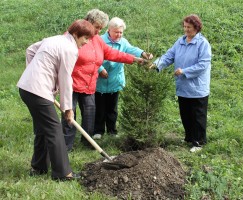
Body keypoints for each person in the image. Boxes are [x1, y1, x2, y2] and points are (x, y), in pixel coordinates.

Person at [17, 19, 95, 180]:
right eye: (85, 38)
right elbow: (66, 79)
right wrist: (68, 109)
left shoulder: (53, 39)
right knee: (54, 130)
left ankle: (38, 167)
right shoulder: (70, 49)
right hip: (37, 91)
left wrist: (34, 73)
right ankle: (63, 173)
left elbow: (30, 50)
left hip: (27, 88)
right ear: (75, 34)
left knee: (42, 128)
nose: (86, 42)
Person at [61, 10, 145, 151]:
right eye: (96, 27)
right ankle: (66, 145)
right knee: (70, 114)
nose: (98, 31)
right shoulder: (73, 36)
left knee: (90, 113)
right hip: (72, 84)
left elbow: (111, 53)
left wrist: (133, 58)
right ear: (87, 22)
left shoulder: (98, 39)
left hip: (89, 85)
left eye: (100, 28)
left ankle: (87, 142)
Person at [153, 14, 212, 152]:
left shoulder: (203, 44)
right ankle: (189, 138)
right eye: (184, 27)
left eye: (189, 27)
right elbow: (168, 56)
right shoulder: (180, 41)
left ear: (196, 28)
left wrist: (184, 71)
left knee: (197, 115)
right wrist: (157, 65)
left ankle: (199, 142)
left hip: (197, 88)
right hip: (183, 86)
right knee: (185, 113)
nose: (186, 30)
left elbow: (203, 65)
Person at [93, 17, 153, 139]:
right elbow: (93, 57)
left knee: (112, 108)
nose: (119, 35)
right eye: (116, 32)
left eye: (121, 32)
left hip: (115, 81)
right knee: (99, 108)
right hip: (100, 82)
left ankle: (112, 131)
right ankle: (98, 131)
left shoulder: (123, 42)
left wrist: (142, 53)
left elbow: (131, 49)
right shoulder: (99, 41)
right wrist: (100, 69)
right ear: (109, 30)